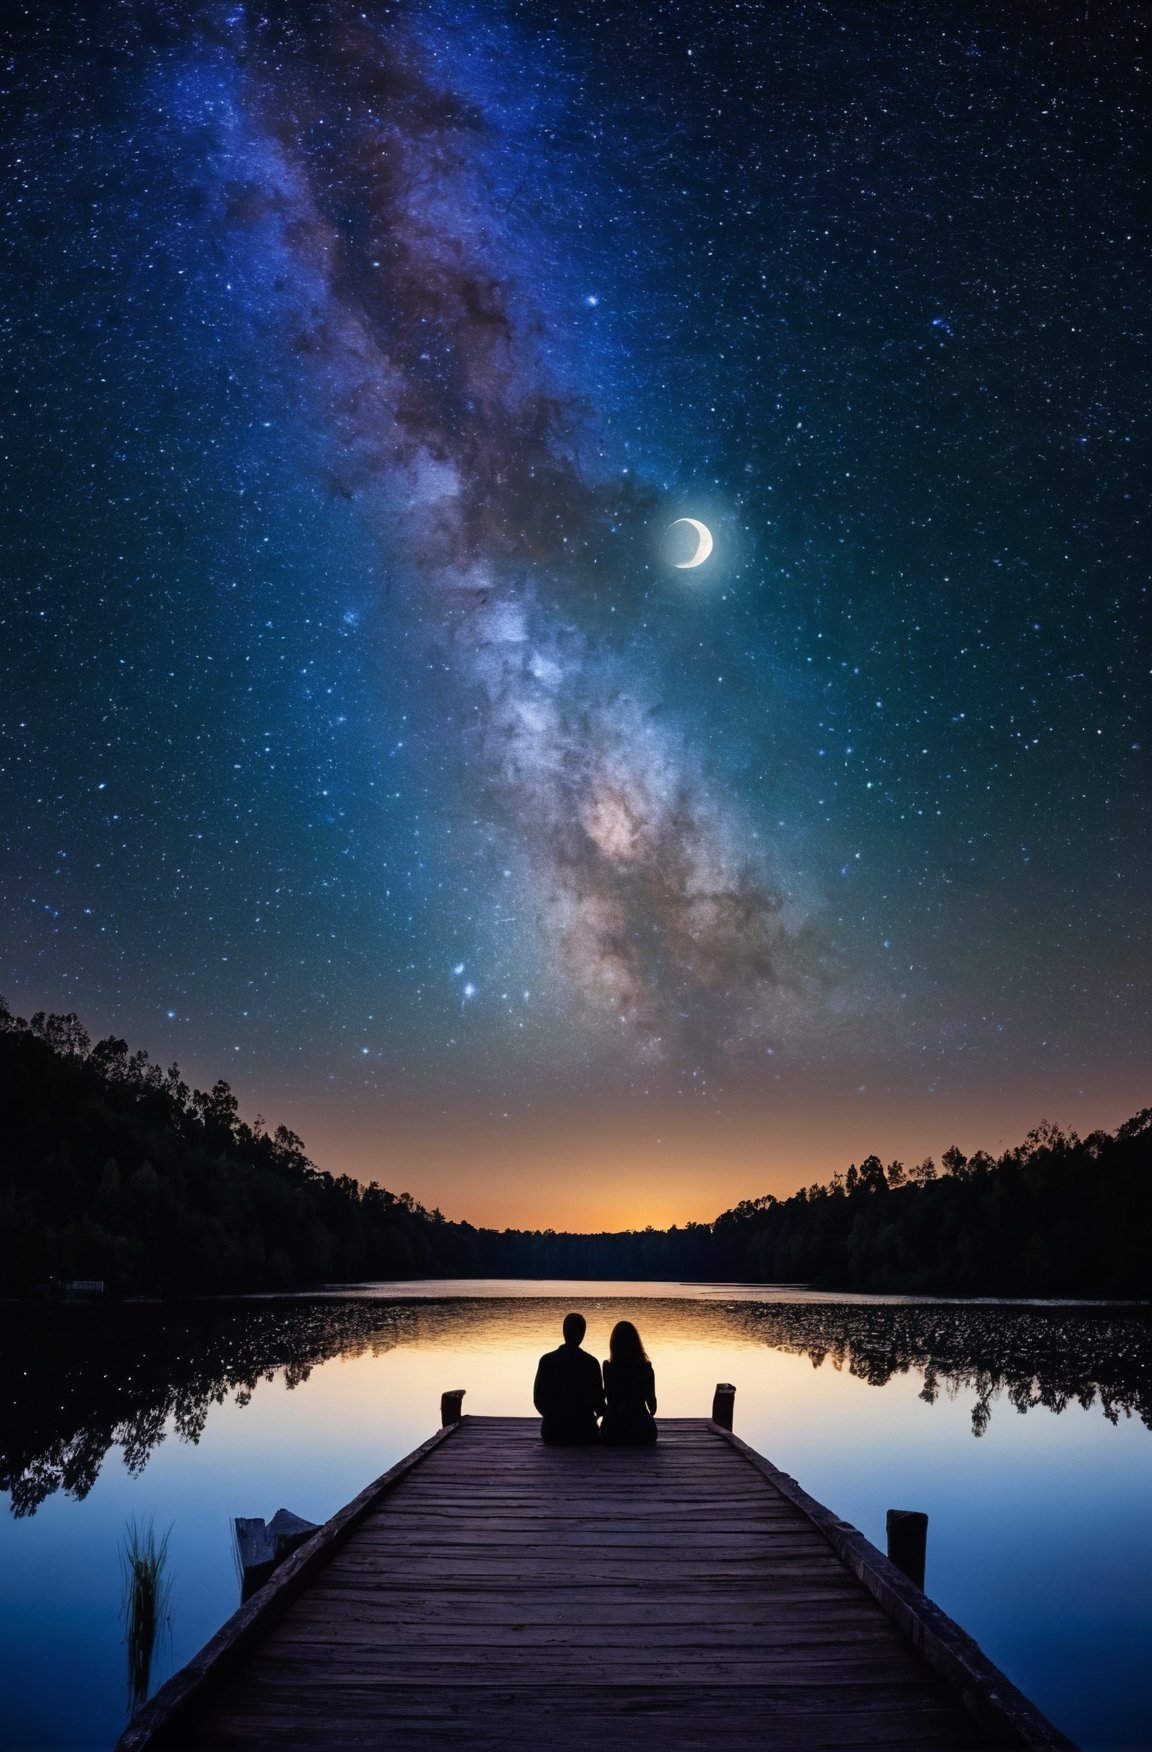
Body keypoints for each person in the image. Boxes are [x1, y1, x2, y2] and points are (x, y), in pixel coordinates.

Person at [533, 1311, 605, 1444]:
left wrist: (552, 1417)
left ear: (564, 1331)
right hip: (585, 1432)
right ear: (583, 1334)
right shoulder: (591, 1363)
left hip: (552, 1432)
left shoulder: (547, 1360)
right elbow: (599, 1405)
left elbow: (538, 1400)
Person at [601, 1319, 658, 1445]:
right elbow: (653, 1407)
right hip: (640, 1430)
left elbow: (604, 1397)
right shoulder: (646, 1368)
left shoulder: (607, 1367)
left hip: (612, 1430)